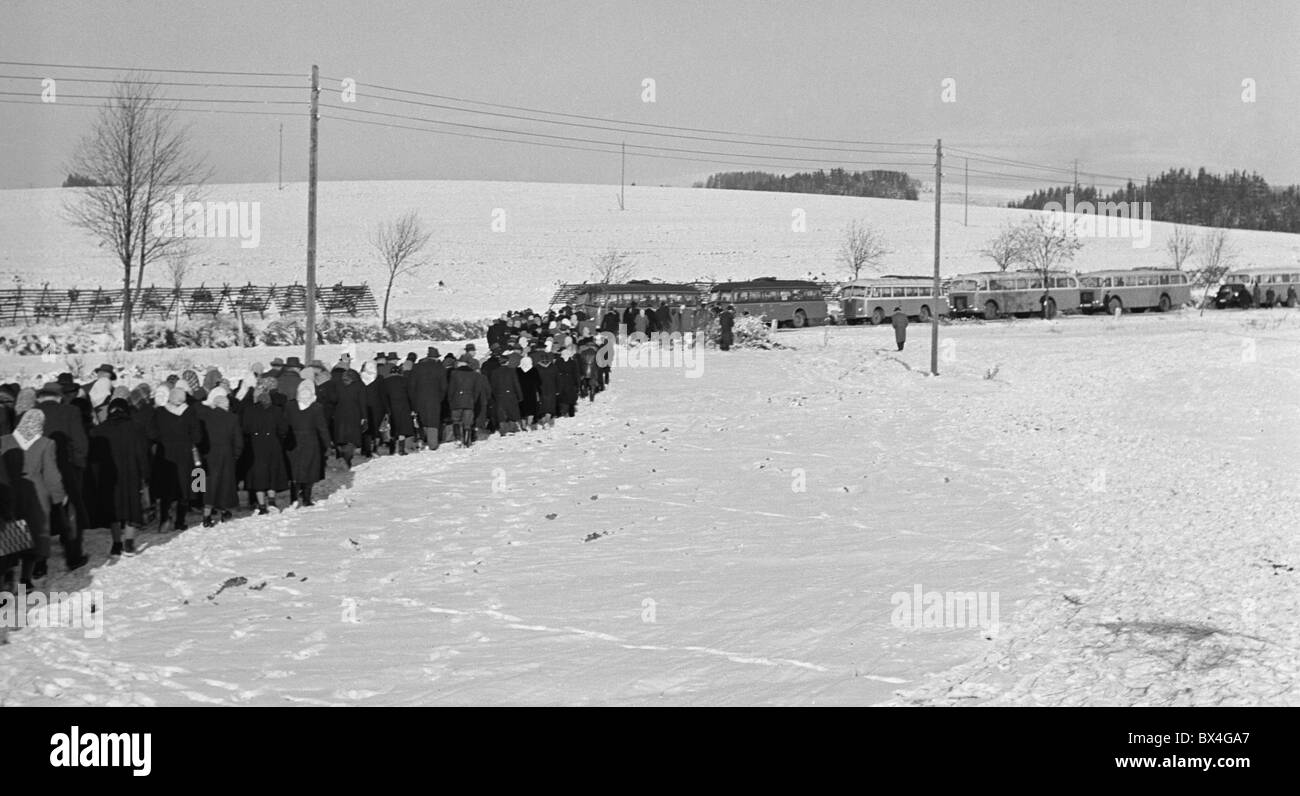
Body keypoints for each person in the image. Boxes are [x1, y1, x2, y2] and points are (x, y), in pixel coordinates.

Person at [0, 408, 67, 585]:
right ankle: (26, 578)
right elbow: (52, 475)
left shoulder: (4, 441)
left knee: (11, 534)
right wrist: (59, 496)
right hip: (35, 496)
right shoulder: (46, 444)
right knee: (36, 536)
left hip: (8, 492)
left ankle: (7, 573)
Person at [34, 382, 88, 566]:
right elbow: (80, 442)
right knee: (70, 510)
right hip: (65, 467)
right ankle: (73, 554)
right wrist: (78, 464)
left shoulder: (27, 415)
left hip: (35, 469)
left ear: (40, 396)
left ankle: (39, 561)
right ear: (59, 396)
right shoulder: (70, 412)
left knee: (39, 512)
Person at [88, 398, 149, 555]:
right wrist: (145, 475)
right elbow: (143, 454)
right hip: (131, 473)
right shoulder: (136, 428)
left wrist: (95, 478)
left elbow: (94, 459)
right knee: (131, 506)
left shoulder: (99, 430)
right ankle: (128, 543)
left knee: (112, 508)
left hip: (108, 475)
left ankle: (116, 543)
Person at [237, 376, 289, 513]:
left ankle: (261, 505)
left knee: (258, 476)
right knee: (271, 473)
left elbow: (245, 428)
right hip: (273, 445)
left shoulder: (249, 410)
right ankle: (272, 500)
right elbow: (283, 429)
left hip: (255, 446)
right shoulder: (277, 410)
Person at [196, 387, 243, 527]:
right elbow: (238, 442)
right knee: (225, 484)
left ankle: (206, 515)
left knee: (206, 484)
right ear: (226, 406)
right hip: (226, 454)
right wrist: (235, 455)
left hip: (207, 454)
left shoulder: (204, 417)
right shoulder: (233, 418)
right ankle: (224, 511)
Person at [284, 380, 331, 507]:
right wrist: (327, 444)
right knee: (309, 470)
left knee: (295, 470)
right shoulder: (316, 407)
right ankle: (306, 498)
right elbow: (322, 427)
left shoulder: (290, 406)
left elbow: (285, 424)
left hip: (293, 441)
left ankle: (293, 498)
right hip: (311, 441)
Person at [409, 347, 447, 452]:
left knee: (421, 419)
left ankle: (422, 440)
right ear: (435, 358)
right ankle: (432, 444)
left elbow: (412, 386)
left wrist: (413, 400)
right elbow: (444, 387)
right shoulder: (439, 368)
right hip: (434, 398)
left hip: (419, 398)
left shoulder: (417, 367)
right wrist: (440, 398)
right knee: (433, 421)